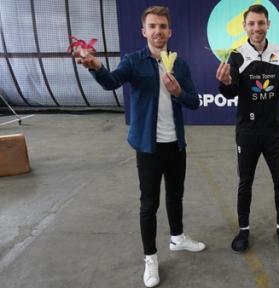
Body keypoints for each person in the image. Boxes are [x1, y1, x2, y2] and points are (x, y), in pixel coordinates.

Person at [75, 6, 205, 287]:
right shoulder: (133, 61)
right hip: (148, 147)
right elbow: (111, 82)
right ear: (143, 31)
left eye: (162, 27)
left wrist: (178, 92)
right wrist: (96, 67)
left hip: (176, 144)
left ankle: (178, 238)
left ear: (170, 32)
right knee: (149, 204)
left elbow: (194, 102)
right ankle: (150, 258)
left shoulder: (179, 64)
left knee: (175, 195)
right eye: (152, 26)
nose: (158, 31)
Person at [215, 4, 279, 253]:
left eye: (260, 23)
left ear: (268, 25)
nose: (256, 28)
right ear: (245, 27)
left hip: (274, 131)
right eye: (251, 24)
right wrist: (225, 83)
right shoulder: (237, 54)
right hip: (247, 132)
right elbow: (230, 93)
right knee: (245, 183)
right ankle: (243, 231)